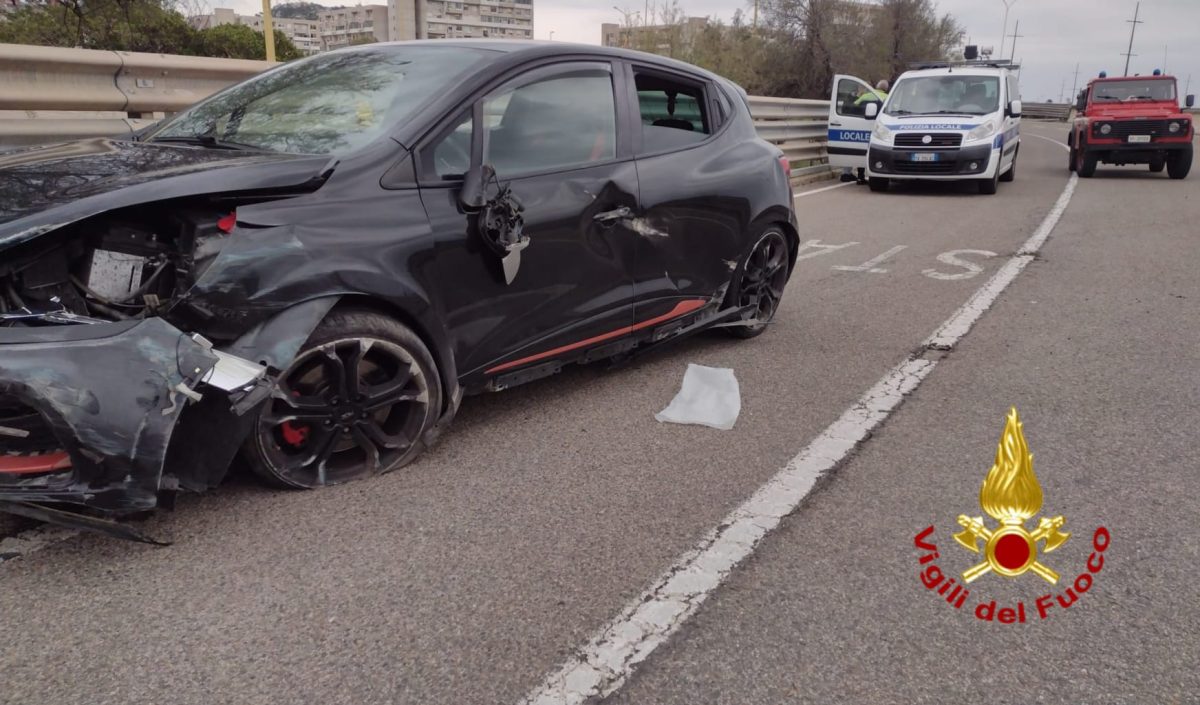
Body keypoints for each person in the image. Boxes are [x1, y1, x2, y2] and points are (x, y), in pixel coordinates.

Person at [842, 79, 890, 183]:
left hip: (863, 126)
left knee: (862, 150)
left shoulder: (865, 96)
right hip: (879, 129)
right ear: (886, 89)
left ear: (876, 87)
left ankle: (860, 176)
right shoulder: (887, 98)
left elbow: (852, 107)